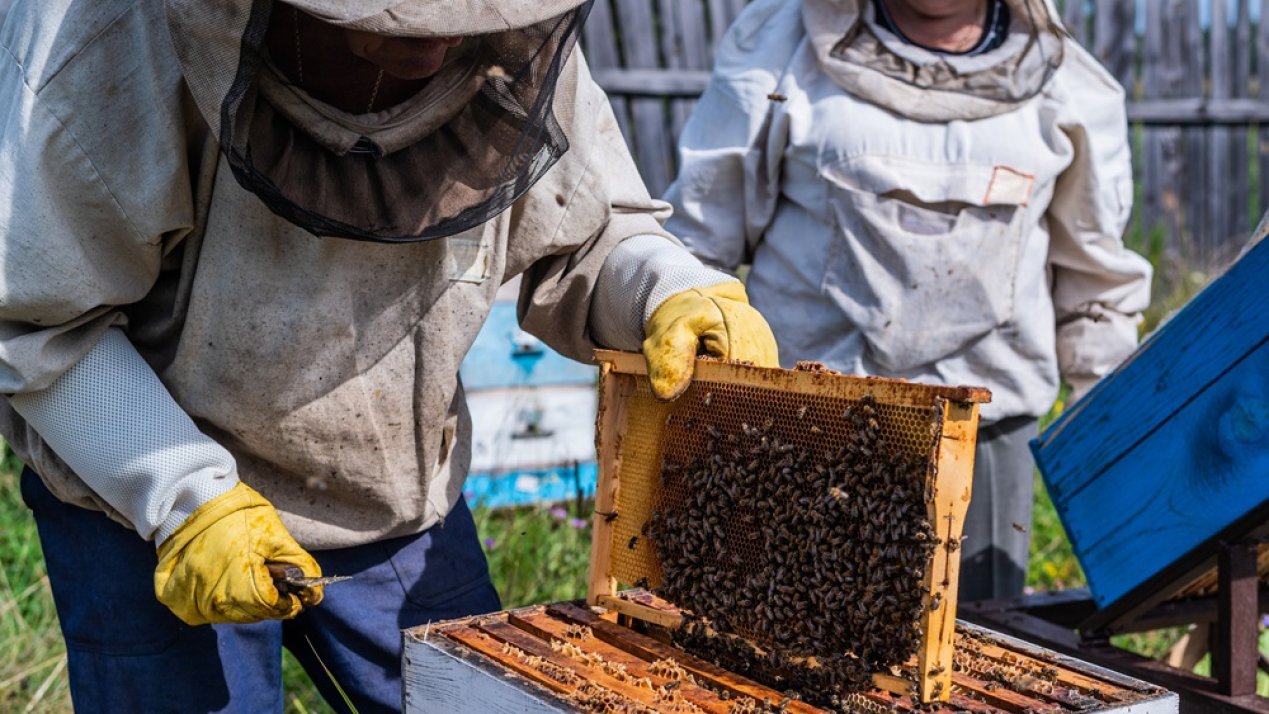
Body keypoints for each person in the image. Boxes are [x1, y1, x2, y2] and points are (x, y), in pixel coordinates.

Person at [0, 0, 778, 711]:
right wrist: (176, 493)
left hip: (397, 498)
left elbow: (587, 228)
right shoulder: (100, 42)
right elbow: (34, 321)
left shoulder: (509, 30)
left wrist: (666, 288)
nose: (436, 31)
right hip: (145, 506)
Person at [664, 0, 1152, 602]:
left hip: (985, 439)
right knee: (778, 661)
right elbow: (698, 241)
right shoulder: (776, 43)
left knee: (975, 659)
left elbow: (1096, 284)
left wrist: (1117, 442)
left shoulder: (1070, 83)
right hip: (800, 429)